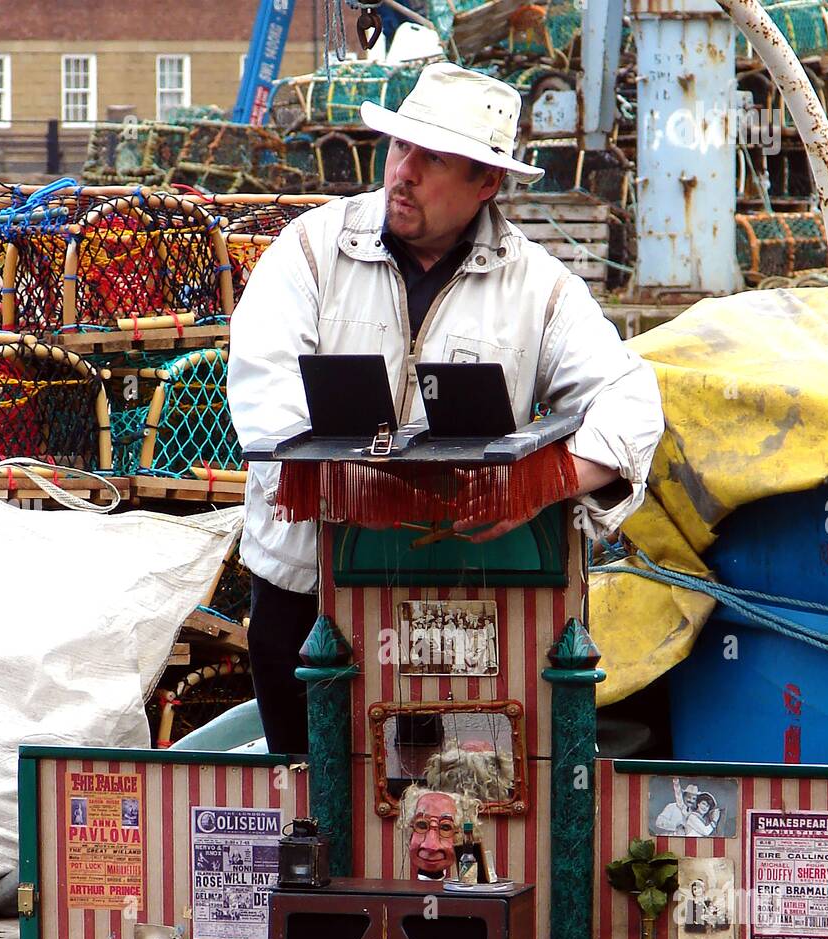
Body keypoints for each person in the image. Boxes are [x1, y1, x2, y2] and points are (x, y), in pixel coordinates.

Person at [228, 62, 664, 753]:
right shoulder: (310, 253)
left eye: (433, 160)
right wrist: (364, 488)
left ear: (486, 183)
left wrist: (542, 481)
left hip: (459, 607)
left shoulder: (539, 289)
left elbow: (631, 399)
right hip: (303, 590)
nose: (403, 172)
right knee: (309, 800)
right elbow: (265, 392)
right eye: (402, 147)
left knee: (456, 802)